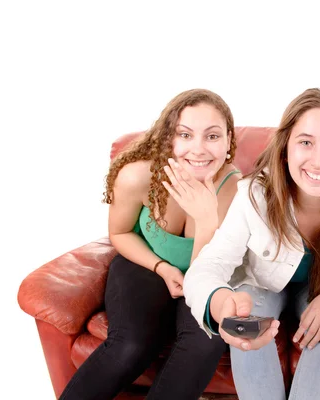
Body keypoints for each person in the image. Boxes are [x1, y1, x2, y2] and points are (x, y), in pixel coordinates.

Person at [183, 88, 320, 400]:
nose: (319, 160)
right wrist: (219, 304)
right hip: (260, 286)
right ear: (286, 149)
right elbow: (207, 266)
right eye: (306, 142)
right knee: (247, 320)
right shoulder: (254, 195)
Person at [59, 89, 241, 400]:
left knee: (204, 341)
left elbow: (207, 272)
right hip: (144, 265)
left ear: (228, 143)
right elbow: (120, 233)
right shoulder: (137, 176)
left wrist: (207, 220)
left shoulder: (236, 189)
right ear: (170, 137)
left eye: (212, 136)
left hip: (206, 276)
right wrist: (162, 267)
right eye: (185, 134)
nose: (198, 149)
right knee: (132, 343)